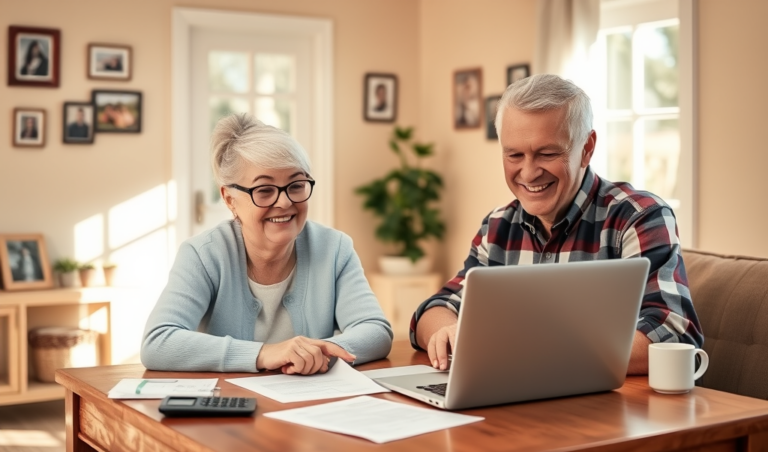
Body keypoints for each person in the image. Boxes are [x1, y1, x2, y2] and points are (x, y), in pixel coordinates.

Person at [411, 74, 702, 375]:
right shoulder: (498, 227)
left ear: (587, 148)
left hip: (611, 402)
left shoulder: (637, 218)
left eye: (547, 154)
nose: (528, 173)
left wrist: (533, 353)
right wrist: (446, 332)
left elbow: (673, 335)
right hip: (516, 395)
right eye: (514, 155)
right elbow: (437, 308)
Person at [141, 113, 393, 375]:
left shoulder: (335, 248)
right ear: (229, 199)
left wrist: (319, 353)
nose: (284, 202)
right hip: (231, 399)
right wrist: (264, 353)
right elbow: (158, 342)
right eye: (264, 190)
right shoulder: (203, 255)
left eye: (296, 185)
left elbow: (375, 330)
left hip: (311, 398)